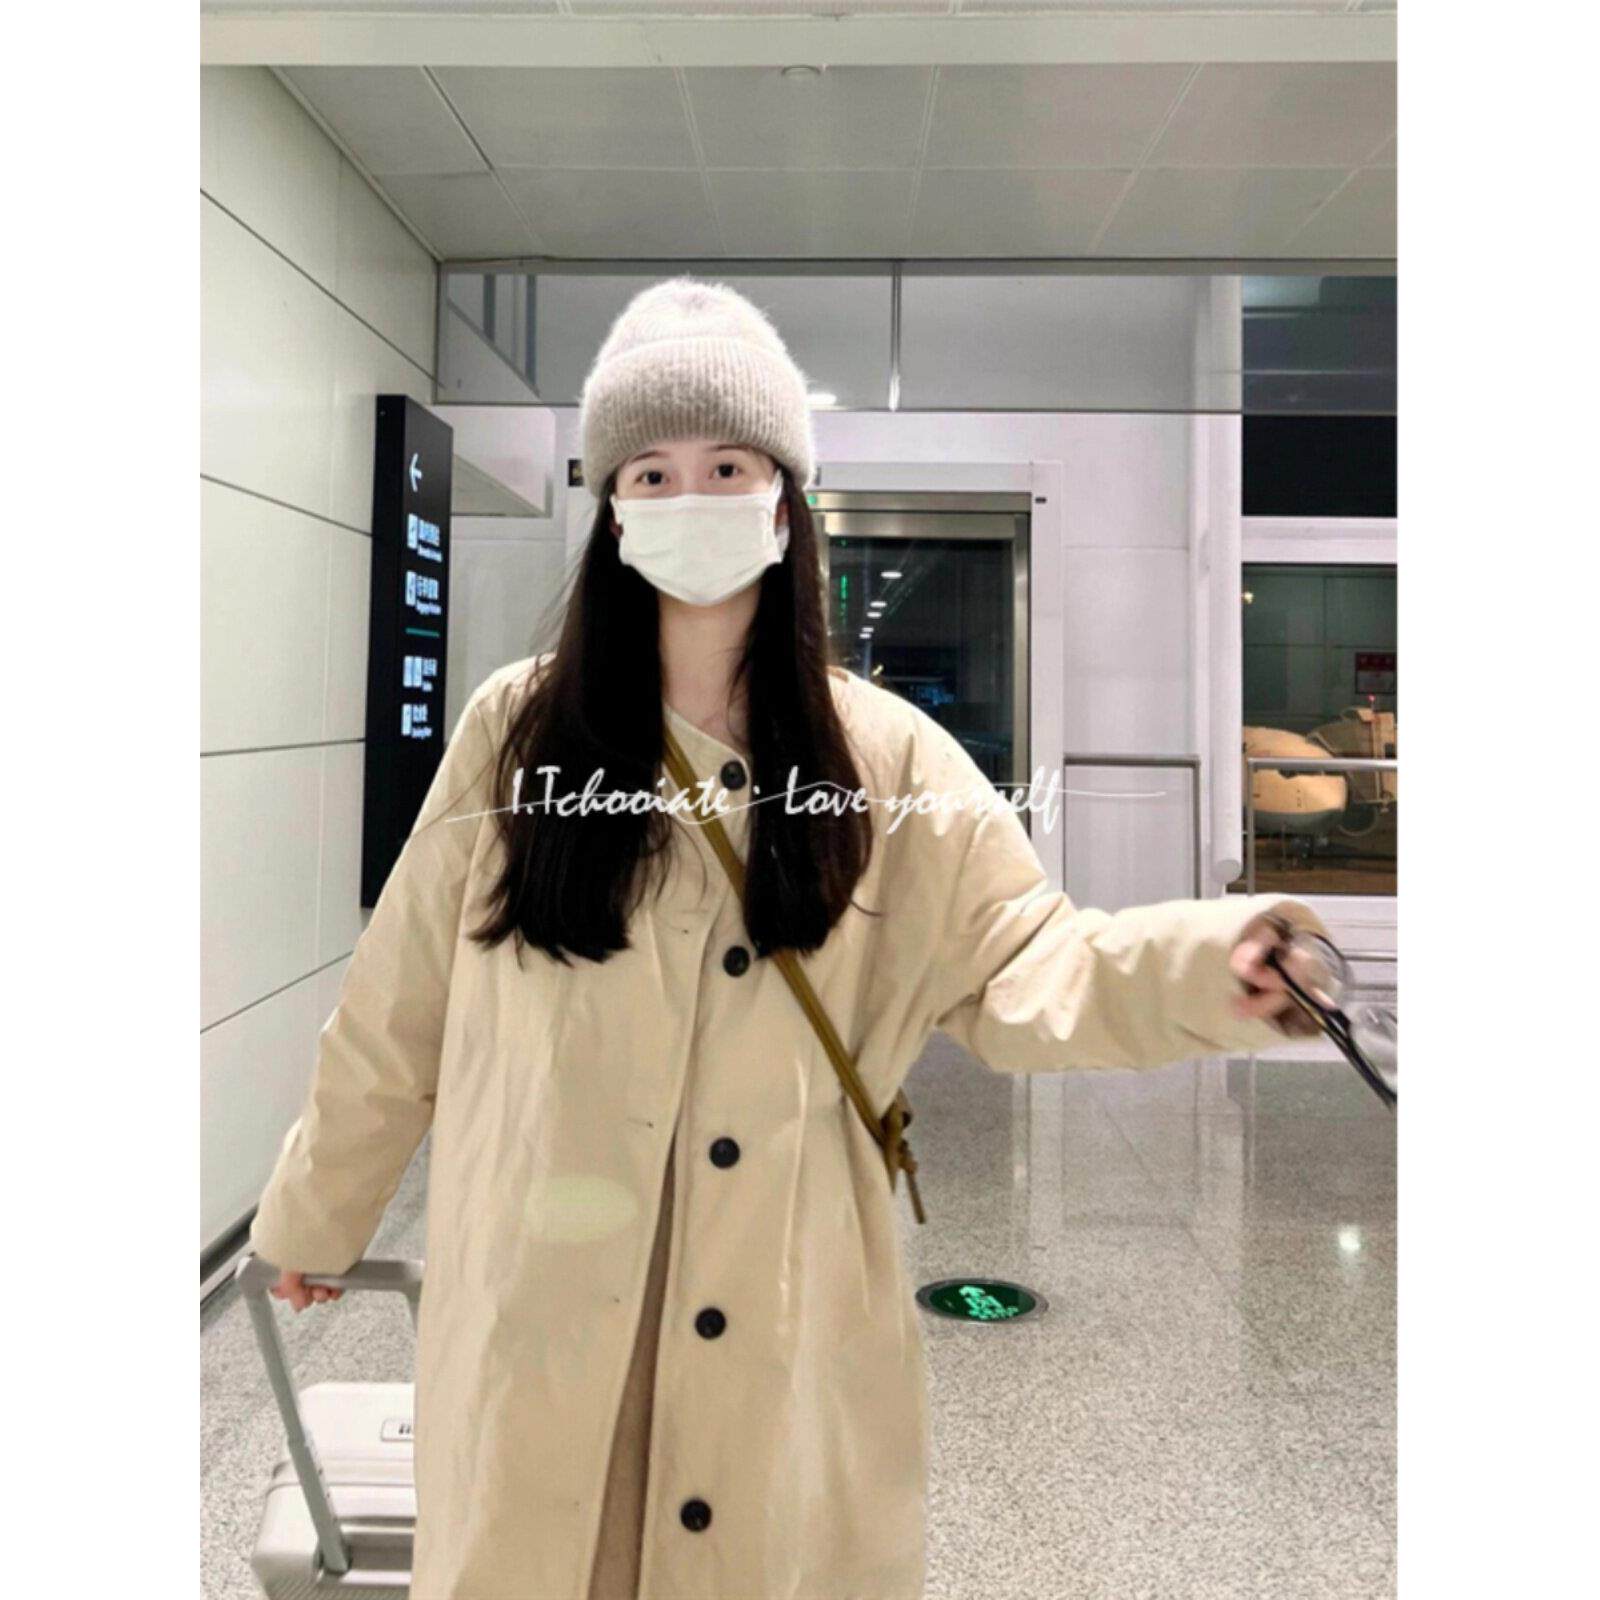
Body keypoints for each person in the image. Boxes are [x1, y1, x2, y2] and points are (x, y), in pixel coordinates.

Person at [252, 277, 1330, 1600]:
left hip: (778, 1305)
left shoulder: (884, 756)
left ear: (785, 500)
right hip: (540, 1301)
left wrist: (1216, 966)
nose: (690, 495)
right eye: (651, 471)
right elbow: (399, 1003)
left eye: (728, 465)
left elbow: (1026, 963)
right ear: (613, 511)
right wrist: (317, 1213)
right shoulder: (517, 733)